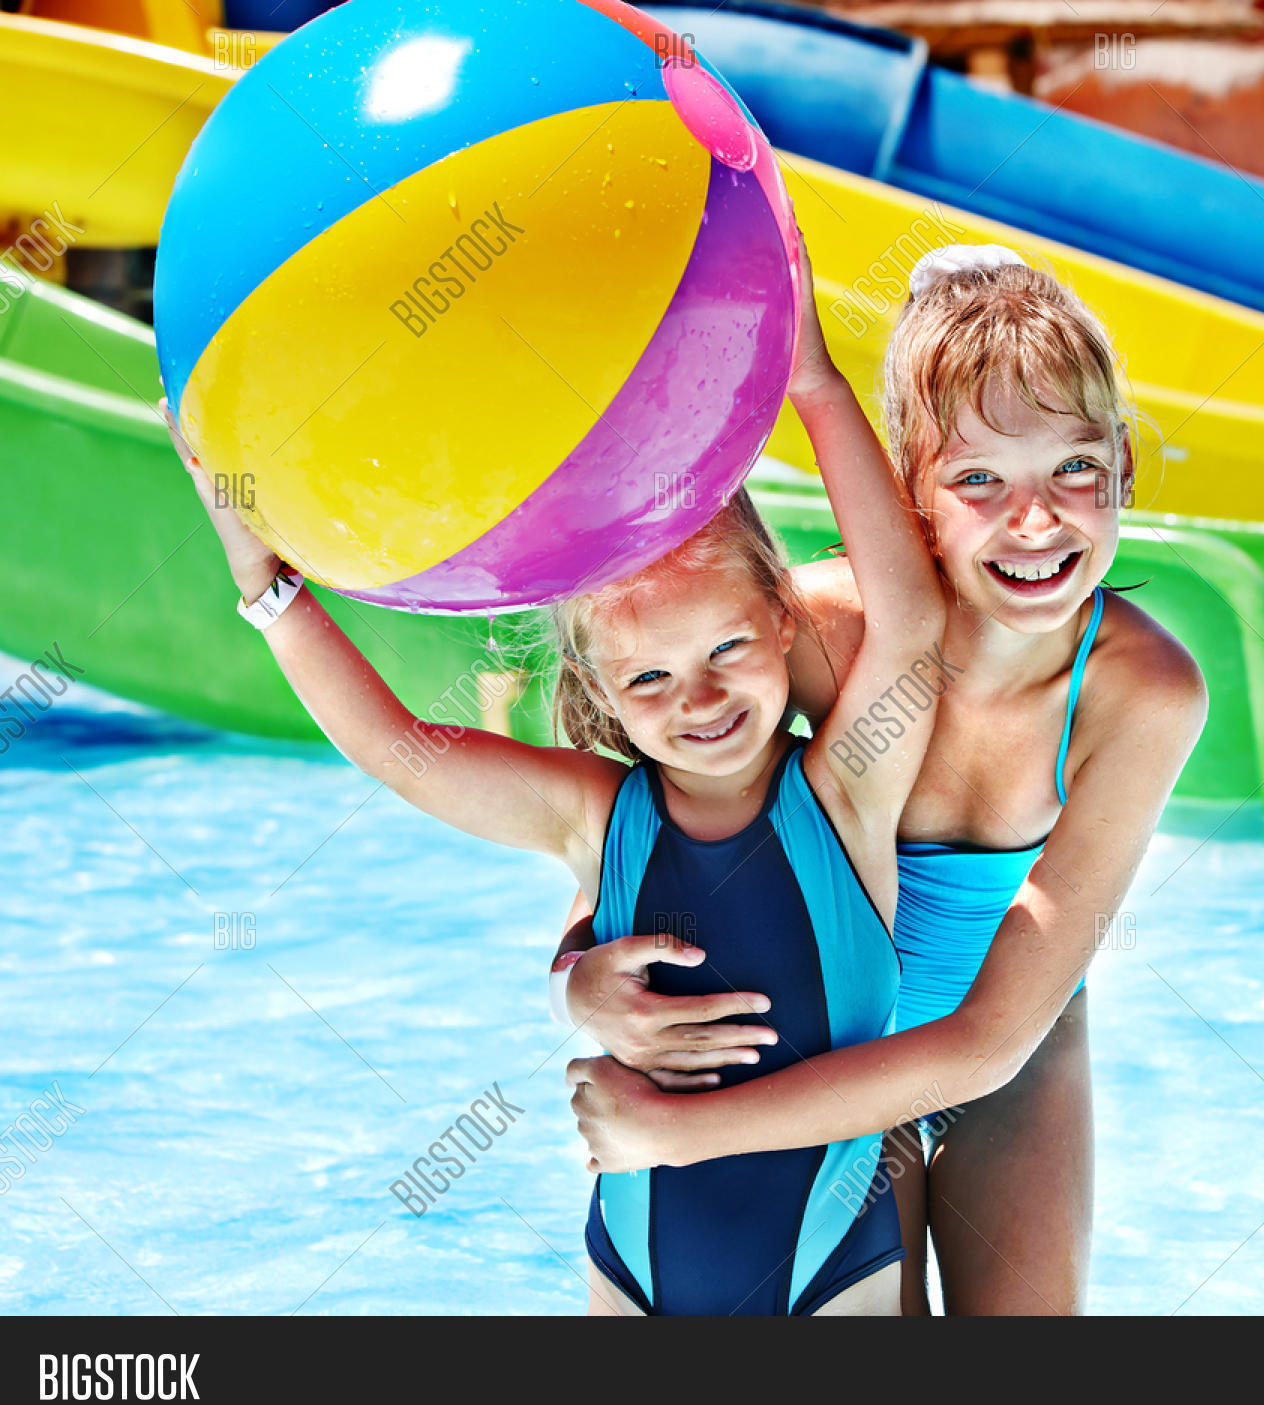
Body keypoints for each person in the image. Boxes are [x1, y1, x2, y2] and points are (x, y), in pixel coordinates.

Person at [159, 228, 945, 1316]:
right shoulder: (597, 815)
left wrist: (809, 377)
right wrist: (270, 587)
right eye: (652, 678)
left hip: (829, 1267)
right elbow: (399, 753)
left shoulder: (843, 793)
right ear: (604, 690)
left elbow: (908, 621)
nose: (699, 701)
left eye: (725, 651)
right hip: (631, 1261)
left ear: (782, 616)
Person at [565, 243, 1209, 1315]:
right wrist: (577, 971)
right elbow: (641, 829)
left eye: (1075, 468)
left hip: (1006, 1052)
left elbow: (990, 1039)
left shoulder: (1140, 695)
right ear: (912, 493)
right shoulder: (819, 640)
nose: (1037, 519)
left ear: (1124, 469)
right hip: (828, 1046)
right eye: (979, 480)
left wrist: (682, 1132)